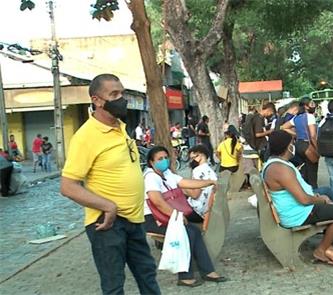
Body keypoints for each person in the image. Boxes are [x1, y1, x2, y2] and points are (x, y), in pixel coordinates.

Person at [60, 73, 161, 294]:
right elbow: (68, 186)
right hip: (107, 224)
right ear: (96, 100)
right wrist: (108, 206)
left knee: (147, 275)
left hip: (135, 220)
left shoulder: (121, 127)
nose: (121, 98)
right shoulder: (86, 136)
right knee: (114, 285)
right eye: (114, 94)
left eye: (122, 93)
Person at [263, 130, 333, 266]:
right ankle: (322, 250)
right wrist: (322, 199)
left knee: (329, 199)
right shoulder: (280, 169)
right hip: (297, 213)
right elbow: (304, 200)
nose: (293, 145)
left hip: (295, 209)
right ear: (286, 147)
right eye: (292, 143)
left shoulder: (274, 163)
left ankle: (329, 246)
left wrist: (317, 197)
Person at [143, 146, 228, 287]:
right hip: (154, 219)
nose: (164, 161)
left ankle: (207, 271)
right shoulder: (150, 177)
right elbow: (157, 201)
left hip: (168, 216)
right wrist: (176, 215)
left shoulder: (167, 174)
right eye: (160, 159)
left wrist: (209, 182)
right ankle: (184, 276)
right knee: (185, 233)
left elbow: (185, 182)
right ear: (151, 162)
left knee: (194, 231)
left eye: (165, 157)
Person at [281, 98, 319, 188]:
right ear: (306, 106)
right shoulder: (310, 116)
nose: (313, 106)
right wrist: (317, 149)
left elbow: (283, 127)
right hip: (308, 145)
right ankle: (314, 193)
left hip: (298, 145)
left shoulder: (296, 118)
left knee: (304, 170)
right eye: (311, 104)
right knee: (312, 172)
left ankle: (305, 190)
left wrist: (297, 134)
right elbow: (313, 136)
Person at [185, 144, 218, 223]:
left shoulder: (198, 170)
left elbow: (195, 195)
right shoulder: (211, 171)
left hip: (197, 211)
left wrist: (182, 187)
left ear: (201, 155)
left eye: (193, 158)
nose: (192, 161)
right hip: (206, 210)